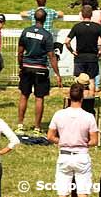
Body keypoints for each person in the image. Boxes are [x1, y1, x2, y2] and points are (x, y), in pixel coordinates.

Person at [16, 8, 63, 137]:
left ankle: (20, 125)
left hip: (26, 67)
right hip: (41, 68)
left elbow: (20, 52)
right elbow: (52, 56)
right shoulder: (47, 35)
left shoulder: (26, 32)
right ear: (45, 19)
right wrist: (57, 74)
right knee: (39, 98)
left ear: (34, 18)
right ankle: (37, 127)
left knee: (24, 95)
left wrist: (21, 65)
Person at [47, 83, 99, 197]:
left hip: (64, 155)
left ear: (69, 97)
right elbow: (94, 141)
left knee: (63, 193)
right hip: (81, 156)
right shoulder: (89, 116)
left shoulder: (59, 114)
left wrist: (62, 141)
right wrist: (84, 142)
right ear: (82, 97)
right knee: (83, 192)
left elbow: (50, 136)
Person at [64, 5, 101, 98]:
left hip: (80, 57)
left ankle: (79, 99)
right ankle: (91, 99)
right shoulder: (97, 27)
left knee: (79, 80)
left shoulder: (77, 27)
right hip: (92, 57)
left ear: (81, 14)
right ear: (91, 15)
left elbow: (67, 41)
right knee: (91, 79)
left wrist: (72, 51)